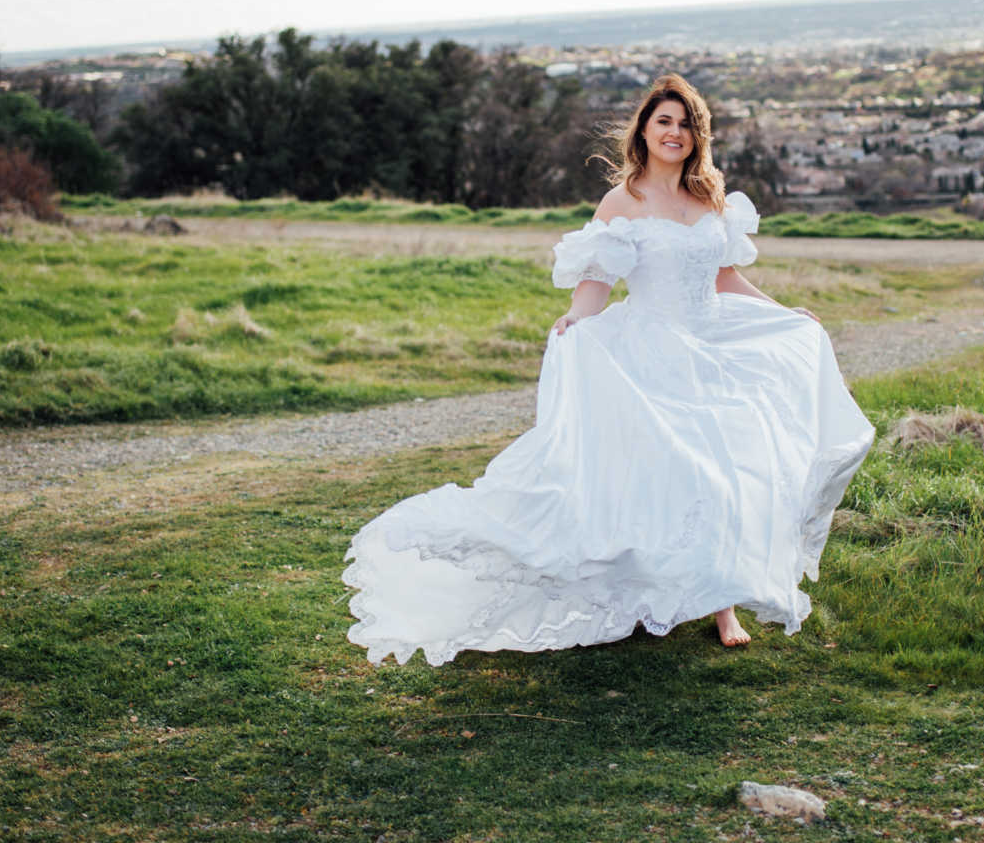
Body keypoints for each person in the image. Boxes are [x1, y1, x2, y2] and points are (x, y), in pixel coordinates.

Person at [342, 74, 875, 666]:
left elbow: (725, 276)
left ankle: (723, 602)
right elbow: (596, 280)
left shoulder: (709, 198)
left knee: (734, 467)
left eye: (686, 123)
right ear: (644, 130)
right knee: (681, 472)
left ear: (699, 135)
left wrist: (781, 312)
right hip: (650, 347)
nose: (675, 133)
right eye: (664, 122)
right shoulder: (623, 202)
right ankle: (671, 587)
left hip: (715, 341)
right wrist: (575, 318)